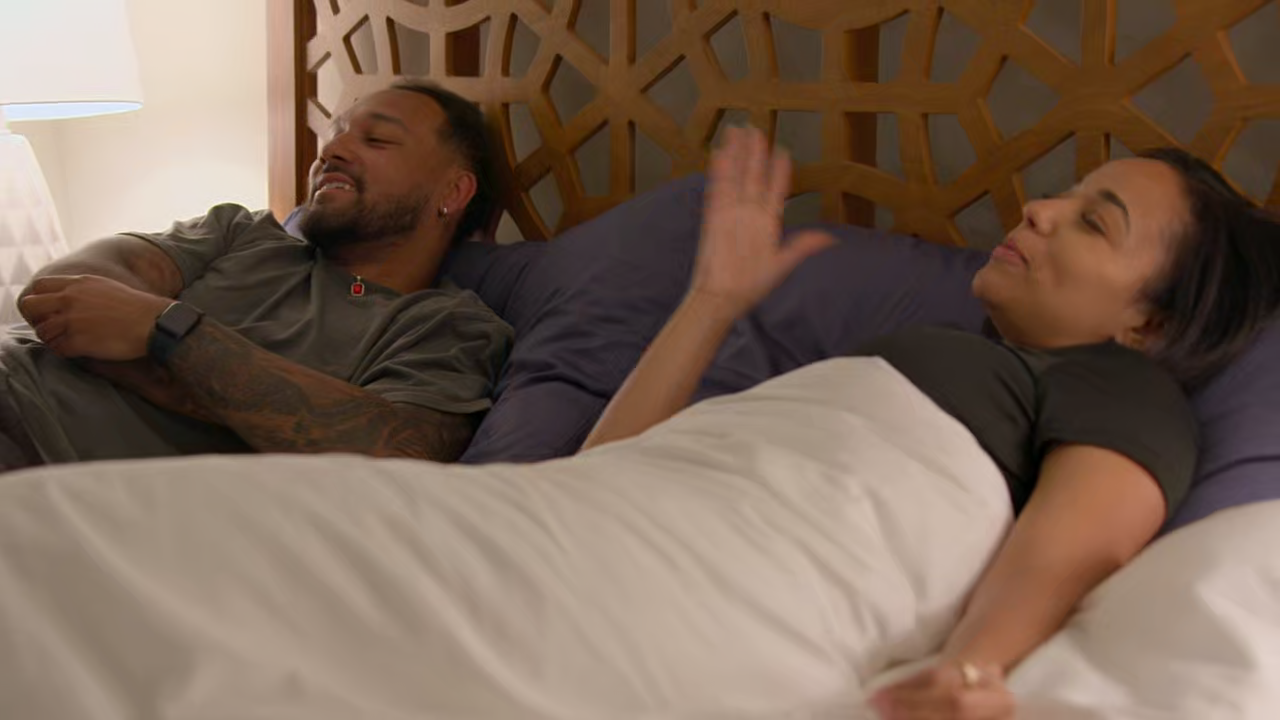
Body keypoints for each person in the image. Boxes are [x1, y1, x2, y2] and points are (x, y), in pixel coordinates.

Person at [580, 127, 1280, 718]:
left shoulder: (1124, 388)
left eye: (1094, 222)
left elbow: (1073, 551)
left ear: (1148, 324)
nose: (1038, 209)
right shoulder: (945, 359)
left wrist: (969, 670)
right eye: (1063, 197)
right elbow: (600, 472)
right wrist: (712, 299)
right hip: (606, 524)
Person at [3, 80, 513, 469]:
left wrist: (166, 331)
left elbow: (396, 452)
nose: (331, 151)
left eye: (377, 139)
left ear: (453, 192)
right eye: (336, 134)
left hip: (32, 447)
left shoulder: (443, 326)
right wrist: (239, 398)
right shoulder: (239, 231)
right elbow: (56, 290)